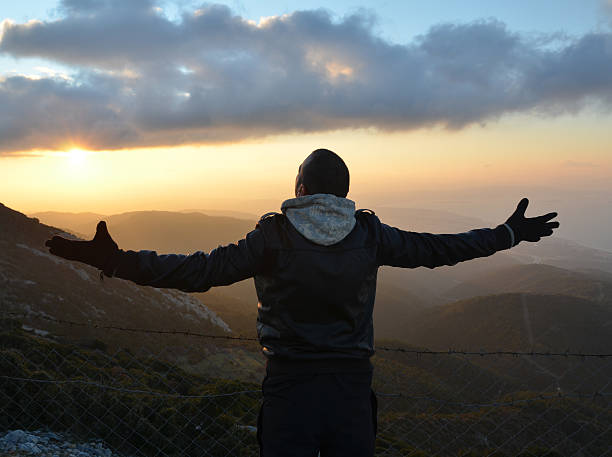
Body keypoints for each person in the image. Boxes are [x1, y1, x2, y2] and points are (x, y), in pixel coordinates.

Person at [45, 148, 559, 457]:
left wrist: (114, 261)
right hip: (353, 391)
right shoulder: (370, 233)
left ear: (300, 187)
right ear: (344, 193)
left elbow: (195, 270)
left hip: (289, 387)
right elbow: (438, 249)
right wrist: (507, 234)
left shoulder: (271, 237)